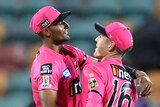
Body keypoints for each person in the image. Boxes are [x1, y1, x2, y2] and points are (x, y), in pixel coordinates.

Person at [29, 6, 152, 107]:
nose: (67, 25)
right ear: (46, 31)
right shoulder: (46, 65)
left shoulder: (71, 52)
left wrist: (136, 73)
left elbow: (106, 65)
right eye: (60, 23)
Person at [82, 22, 138, 107]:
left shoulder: (94, 69)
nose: (96, 39)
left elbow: (93, 103)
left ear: (111, 45)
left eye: (101, 37)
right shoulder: (131, 80)